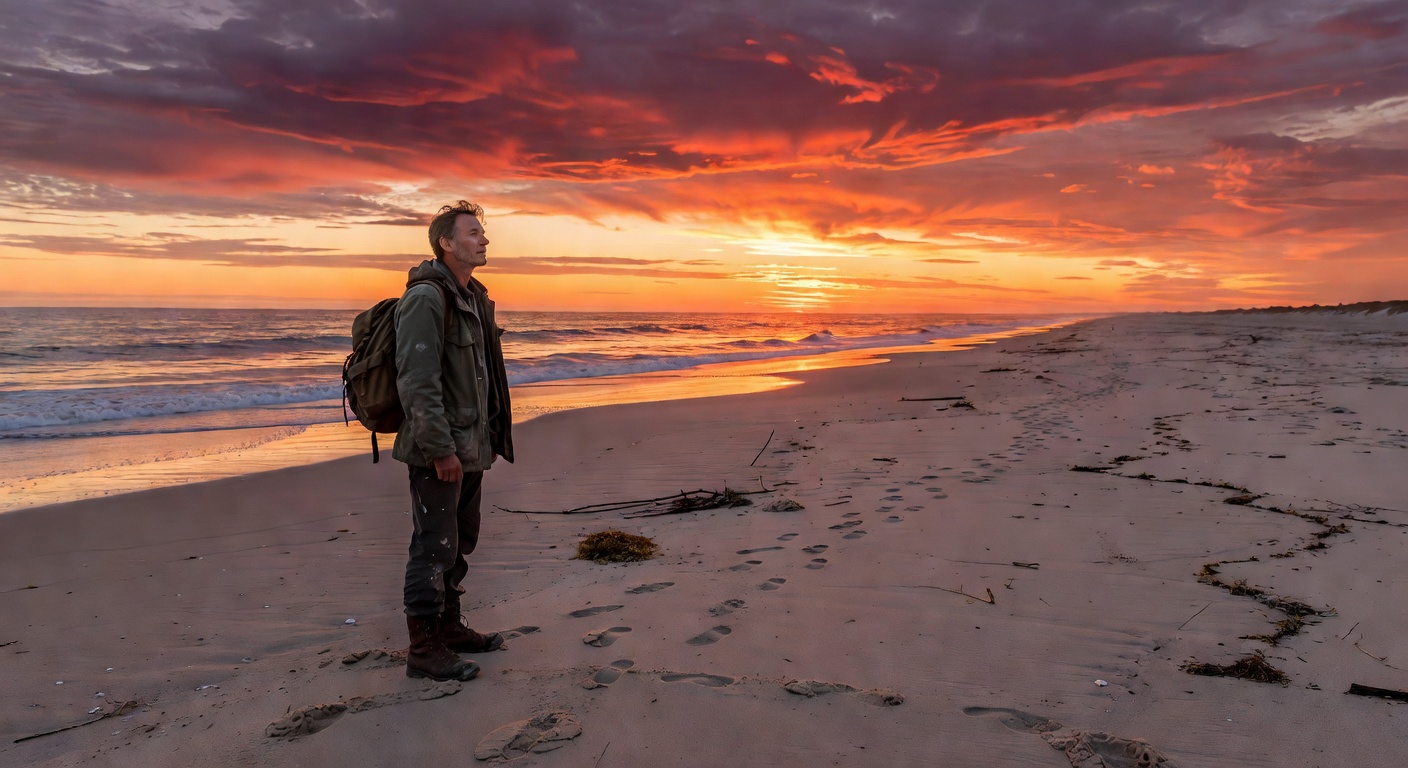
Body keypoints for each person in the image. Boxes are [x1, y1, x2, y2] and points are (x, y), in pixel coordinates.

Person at [393, 201, 514, 681]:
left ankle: (448, 628)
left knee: (460, 539)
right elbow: (416, 380)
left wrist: (482, 444)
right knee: (433, 545)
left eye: (483, 232)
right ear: (447, 242)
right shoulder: (427, 297)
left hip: (471, 446)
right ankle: (423, 650)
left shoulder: (474, 297)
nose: (484, 240)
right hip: (439, 450)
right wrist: (439, 449)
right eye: (474, 232)